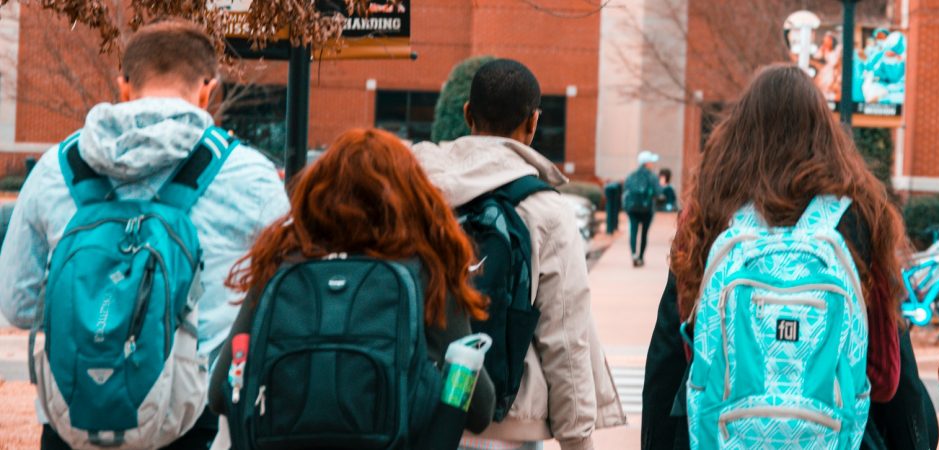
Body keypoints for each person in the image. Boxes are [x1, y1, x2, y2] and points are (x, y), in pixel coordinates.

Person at [0, 19, 288, 449]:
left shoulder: (55, 170)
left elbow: (18, 305)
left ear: (124, 86)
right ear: (208, 89)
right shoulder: (250, 176)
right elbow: (280, 305)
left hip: (73, 420)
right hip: (191, 425)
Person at [668, 64, 910, 449]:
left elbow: (683, 352)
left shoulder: (708, 215)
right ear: (826, 135)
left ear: (738, 134)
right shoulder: (860, 219)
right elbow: (883, 379)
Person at [208, 128, 496, 441]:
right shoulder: (426, 272)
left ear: (316, 193)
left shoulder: (282, 265)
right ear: (411, 197)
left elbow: (221, 393)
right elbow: (480, 409)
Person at [411, 58, 625, 450]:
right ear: (533, 123)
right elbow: (565, 334)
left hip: (423, 411)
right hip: (510, 423)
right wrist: (578, 440)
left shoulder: (417, 195)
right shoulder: (545, 210)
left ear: (467, 114)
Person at [624, 151, 662, 267]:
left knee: (633, 231)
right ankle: (640, 256)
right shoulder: (652, 176)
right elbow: (658, 192)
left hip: (632, 208)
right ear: (647, 163)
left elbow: (625, 190)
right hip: (647, 209)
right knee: (644, 234)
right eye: (651, 162)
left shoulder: (631, 175)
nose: (653, 164)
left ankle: (634, 254)